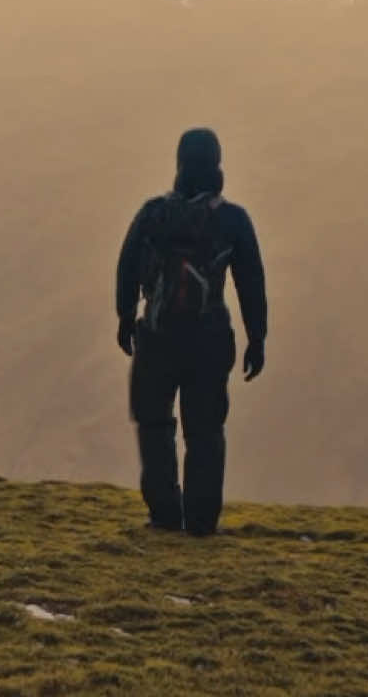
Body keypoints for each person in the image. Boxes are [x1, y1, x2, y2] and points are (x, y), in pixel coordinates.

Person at [114, 126, 267, 535]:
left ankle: (165, 514)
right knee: (205, 431)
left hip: (157, 337)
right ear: (217, 164)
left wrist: (125, 316)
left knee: (155, 425)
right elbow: (250, 281)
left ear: (180, 164)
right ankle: (201, 521)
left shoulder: (152, 214)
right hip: (209, 340)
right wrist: (258, 338)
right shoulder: (232, 220)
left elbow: (127, 265)